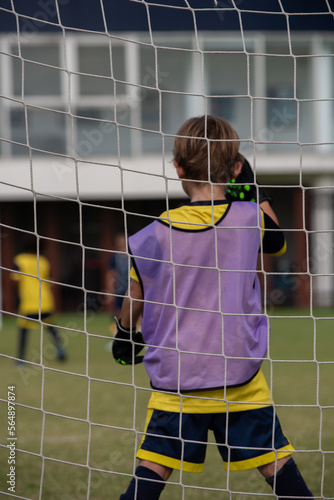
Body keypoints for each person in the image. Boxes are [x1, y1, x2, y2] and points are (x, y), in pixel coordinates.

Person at [112, 116, 313, 499]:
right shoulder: (249, 217)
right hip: (238, 372)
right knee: (275, 461)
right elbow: (277, 242)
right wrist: (255, 190)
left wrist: (124, 333)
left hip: (178, 376)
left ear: (177, 168)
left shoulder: (153, 232)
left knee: (154, 464)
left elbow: (136, 295)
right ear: (237, 168)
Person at [11, 234, 66, 363]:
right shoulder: (43, 261)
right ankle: (61, 350)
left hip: (29, 302)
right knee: (50, 326)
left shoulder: (19, 260)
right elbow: (50, 282)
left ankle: (21, 358)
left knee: (24, 330)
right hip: (45, 300)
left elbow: (15, 280)